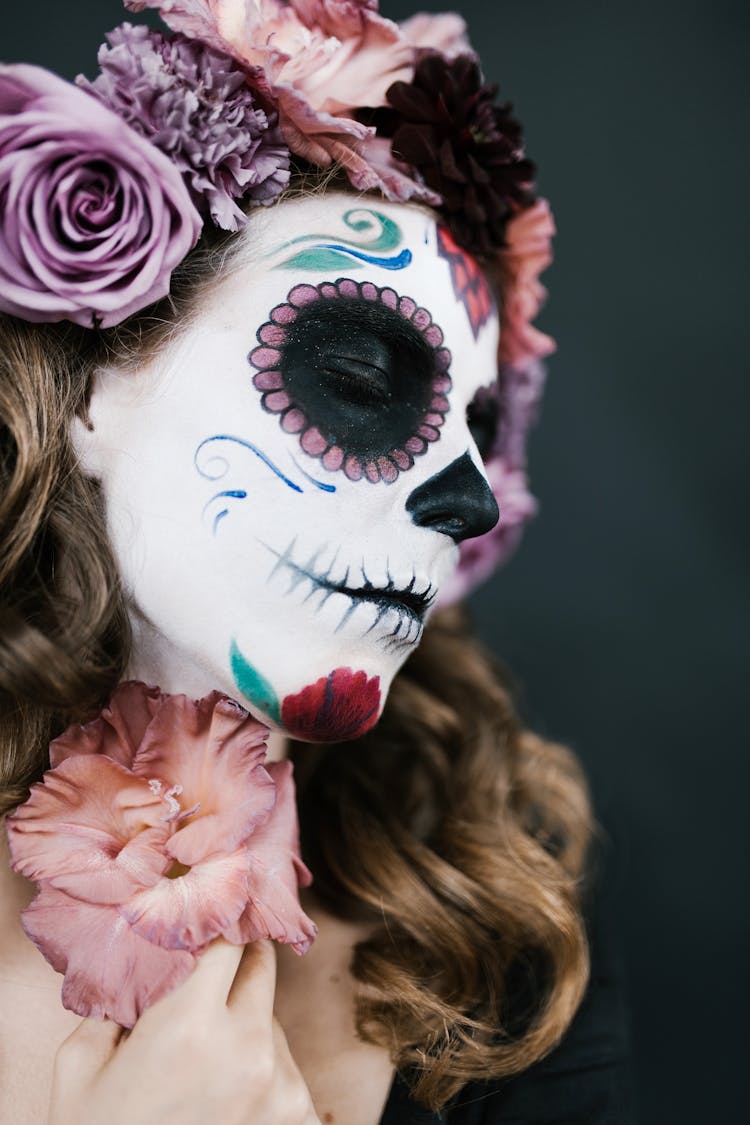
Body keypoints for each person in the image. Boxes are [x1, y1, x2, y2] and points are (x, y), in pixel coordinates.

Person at [0, 3, 632, 1122]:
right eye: (358, 370)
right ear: (99, 377)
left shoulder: (492, 915)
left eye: (477, 430)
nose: (465, 498)